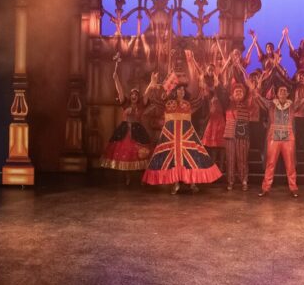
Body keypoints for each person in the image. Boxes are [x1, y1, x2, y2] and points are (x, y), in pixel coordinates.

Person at [143, 61, 222, 193]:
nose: (181, 91)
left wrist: (203, 83)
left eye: (182, 89)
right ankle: (175, 184)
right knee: (173, 160)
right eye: (178, 89)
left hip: (186, 137)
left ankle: (191, 183)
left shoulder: (189, 104)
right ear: (175, 91)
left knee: (191, 159)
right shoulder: (168, 103)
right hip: (171, 137)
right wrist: (152, 85)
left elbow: (201, 99)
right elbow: (154, 100)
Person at [100, 56, 153, 182]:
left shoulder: (141, 104)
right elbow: (119, 90)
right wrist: (116, 78)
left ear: (138, 97)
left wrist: (152, 83)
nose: (134, 96)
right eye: (132, 94)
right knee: (125, 153)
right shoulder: (125, 103)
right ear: (130, 96)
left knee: (140, 153)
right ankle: (127, 176)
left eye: (136, 94)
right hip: (124, 130)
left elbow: (147, 92)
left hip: (137, 131)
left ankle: (142, 177)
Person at [255, 84, 304, 197]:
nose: (282, 92)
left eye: (285, 91)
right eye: (280, 90)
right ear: (277, 93)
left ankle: (293, 188)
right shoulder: (271, 104)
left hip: (288, 137)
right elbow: (258, 98)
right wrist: (254, 89)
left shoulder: (292, 105)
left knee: (290, 164)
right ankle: (265, 188)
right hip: (274, 137)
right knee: (270, 163)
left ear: (288, 94)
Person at [220, 80, 253, 191]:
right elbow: (220, 93)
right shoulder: (227, 104)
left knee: (242, 159)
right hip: (230, 135)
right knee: (230, 159)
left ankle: (244, 181)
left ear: (244, 94)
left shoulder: (247, 104)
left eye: (240, 92)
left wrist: (252, 88)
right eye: (236, 92)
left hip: (243, 136)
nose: (238, 93)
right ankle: (230, 181)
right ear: (232, 94)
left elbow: (253, 95)